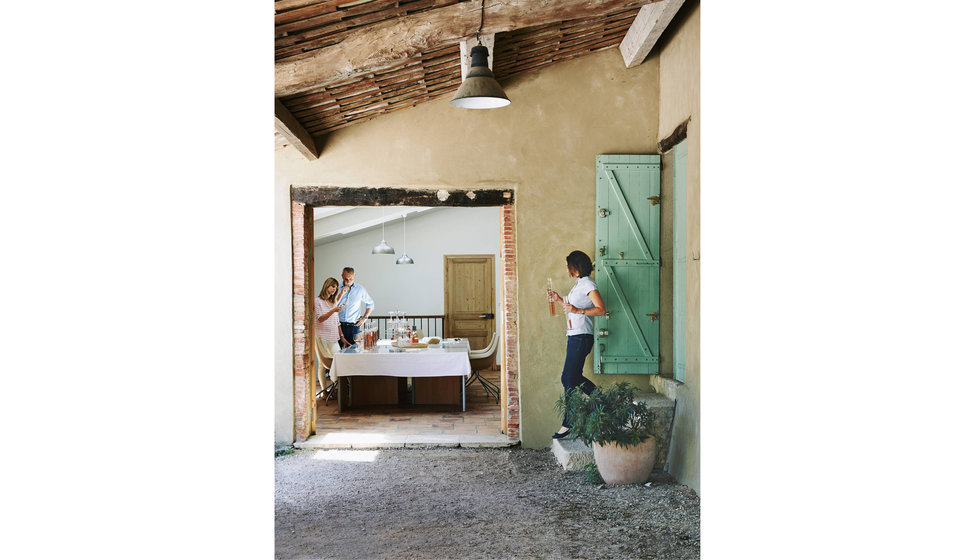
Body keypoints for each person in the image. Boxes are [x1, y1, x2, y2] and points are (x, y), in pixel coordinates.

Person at [546, 250, 606, 439]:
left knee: (569, 377)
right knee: (570, 378)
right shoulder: (579, 284)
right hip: (574, 336)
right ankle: (599, 404)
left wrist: (577, 310)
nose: (566, 269)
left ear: (575, 267)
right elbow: (572, 306)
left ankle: (571, 420)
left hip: (581, 337)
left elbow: (601, 310)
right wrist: (559, 299)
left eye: (568, 266)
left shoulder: (588, 283)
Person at [314, 277, 348, 398]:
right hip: (321, 336)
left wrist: (342, 336)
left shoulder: (333, 302)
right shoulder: (317, 301)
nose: (334, 289)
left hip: (333, 337)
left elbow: (337, 321)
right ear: (326, 286)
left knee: (338, 361)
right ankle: (324, 391)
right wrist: (334, 310)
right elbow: (320, 318)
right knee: (322, 365)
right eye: (332, 286)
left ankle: (335, 388)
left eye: (335, 287)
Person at [336, 267, 374, 348]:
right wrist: (341, 293)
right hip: (338, 327)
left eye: (351, 279)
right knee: (337, 352)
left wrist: (365, 317)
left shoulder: (360, 289)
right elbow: (332, 306)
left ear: (355, 276)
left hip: (354, 327)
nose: (348, 281)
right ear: (342, 276)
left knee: (355, 353)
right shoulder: (336, 288)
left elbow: (370, 304)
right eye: (346, 279)